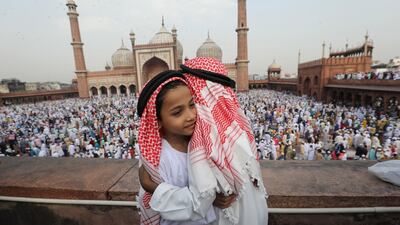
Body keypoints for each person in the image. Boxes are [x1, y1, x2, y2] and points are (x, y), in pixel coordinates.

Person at [139, 58, 268, 225]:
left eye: (193, 103)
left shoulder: (207, 141)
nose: (192, 115)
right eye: (178, 112)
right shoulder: (234, 133)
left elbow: (199, 201)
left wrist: (153, 187)